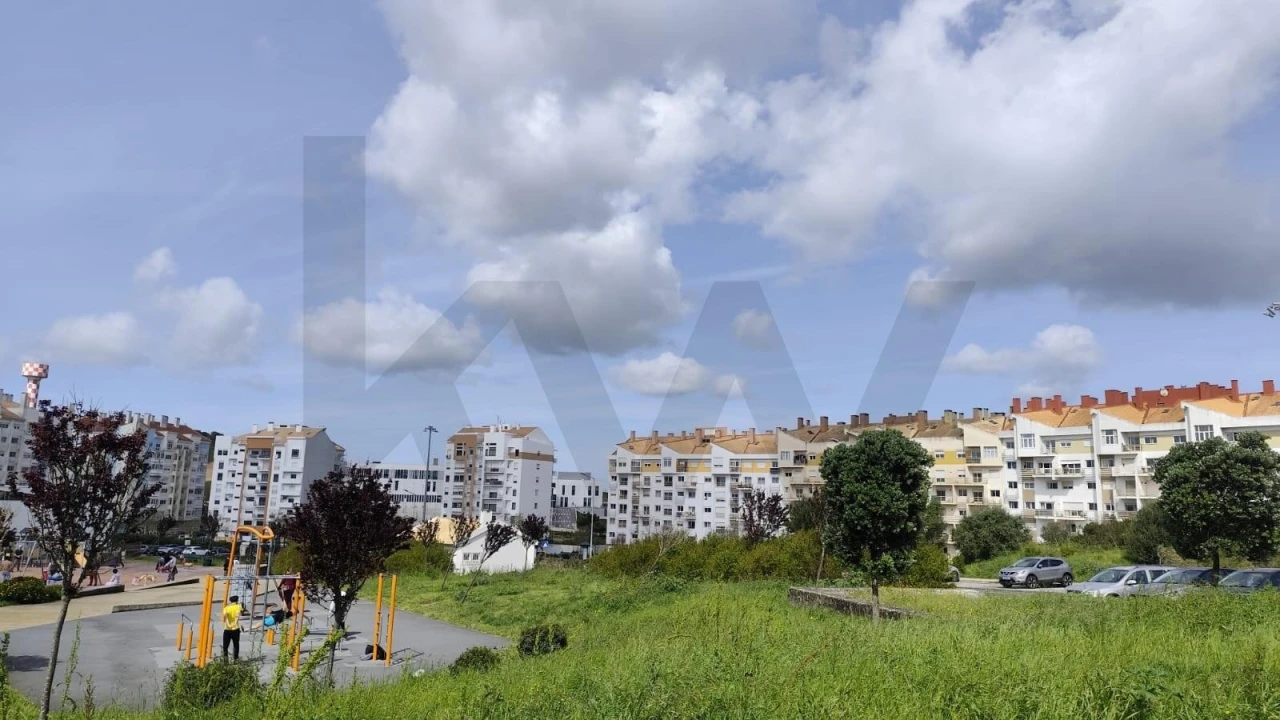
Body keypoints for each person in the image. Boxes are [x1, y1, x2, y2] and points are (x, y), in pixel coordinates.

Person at [221, 595, 243, 661]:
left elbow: (226, 616)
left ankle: (225, 661)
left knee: (225, 646)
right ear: (237, 601)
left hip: (227, 629)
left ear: (230, 601)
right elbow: (238, 615)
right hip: (236, 629)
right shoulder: (239, 606)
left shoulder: (226, 608)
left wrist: (229, 624)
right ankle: (236, 659)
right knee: (236, 644)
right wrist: (234, 624)